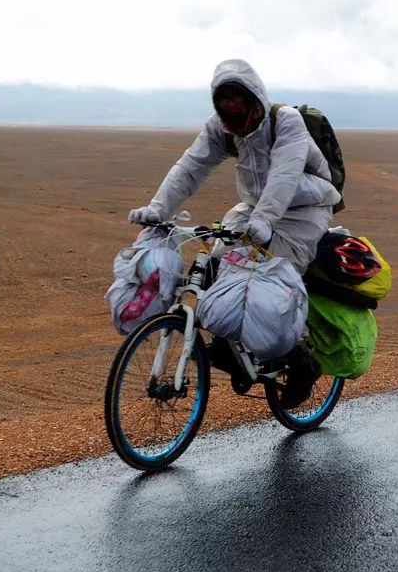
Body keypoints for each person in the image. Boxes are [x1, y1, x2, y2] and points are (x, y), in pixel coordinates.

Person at [128, 59, 341, 408]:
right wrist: (158, 211)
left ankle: (304, 361)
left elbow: (285, 175)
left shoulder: (285, 121)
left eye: (236, 100)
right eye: (222, 102)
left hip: (305, 209)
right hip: (256, 206)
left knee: (268, 277)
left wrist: (266, 220)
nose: (230, 111)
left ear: (254, 98)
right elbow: (190, 167)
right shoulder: (220, 128)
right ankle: (231, 344)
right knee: (213, 265)